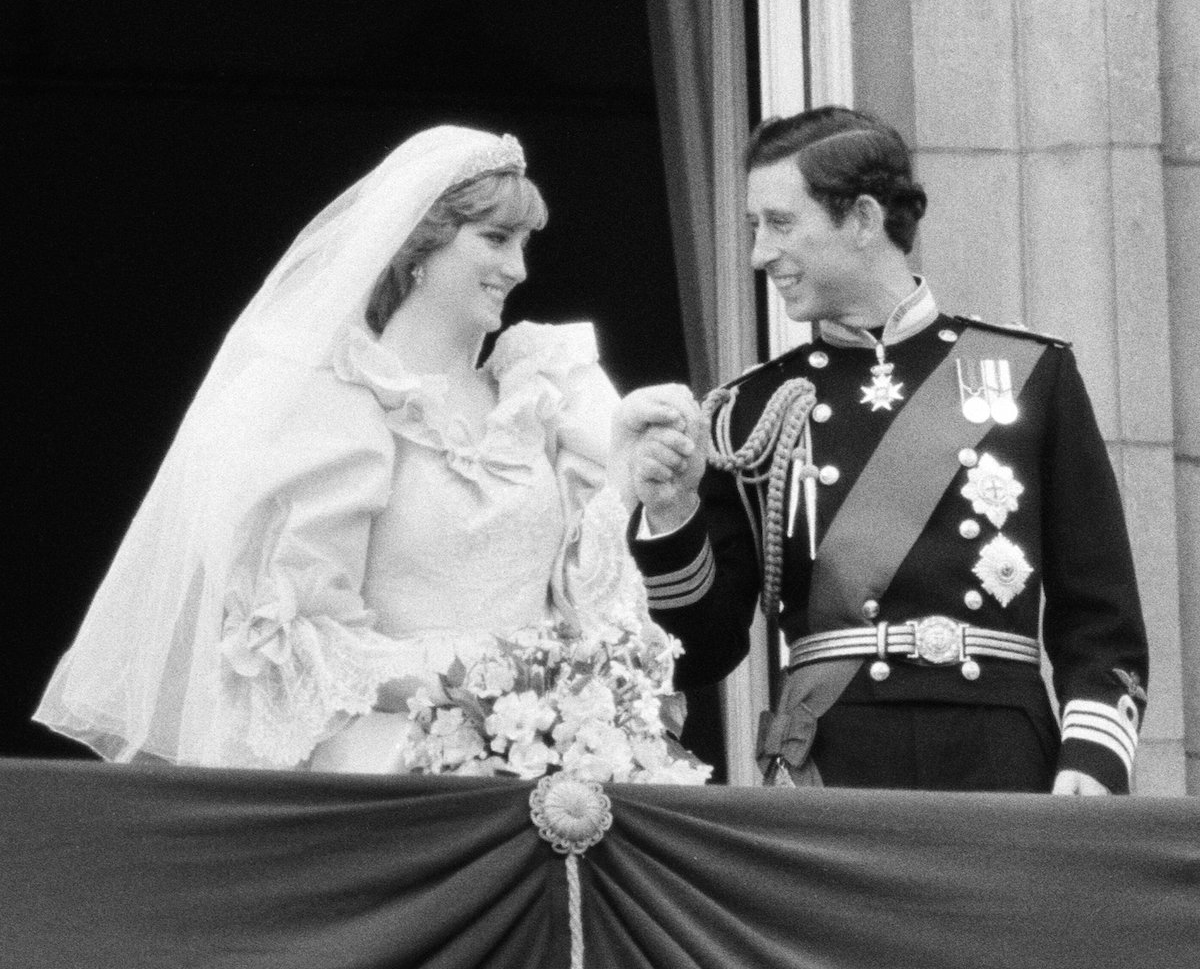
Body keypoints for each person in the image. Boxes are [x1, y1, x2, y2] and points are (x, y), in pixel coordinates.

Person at [36, 125, 693, 778]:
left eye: (524, 244)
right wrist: (481, 691)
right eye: (495, 239)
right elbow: (301, 640)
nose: (518, 268)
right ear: (420, 246)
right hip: (389, 772)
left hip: (547, 764)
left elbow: (589, 608)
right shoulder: (337, 410)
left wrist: (625, 481)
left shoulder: (542, 396)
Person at [621, 105, 1149, 794]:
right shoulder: (751, 412)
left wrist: (1094, 757)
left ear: (864, 220)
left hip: (1001, 763)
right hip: (831, 765)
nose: (758, 254)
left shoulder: (1029, 374)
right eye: (756, 227)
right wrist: (673, 512)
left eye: (780, 224)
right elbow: (700, 652)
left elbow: (1100, 613)